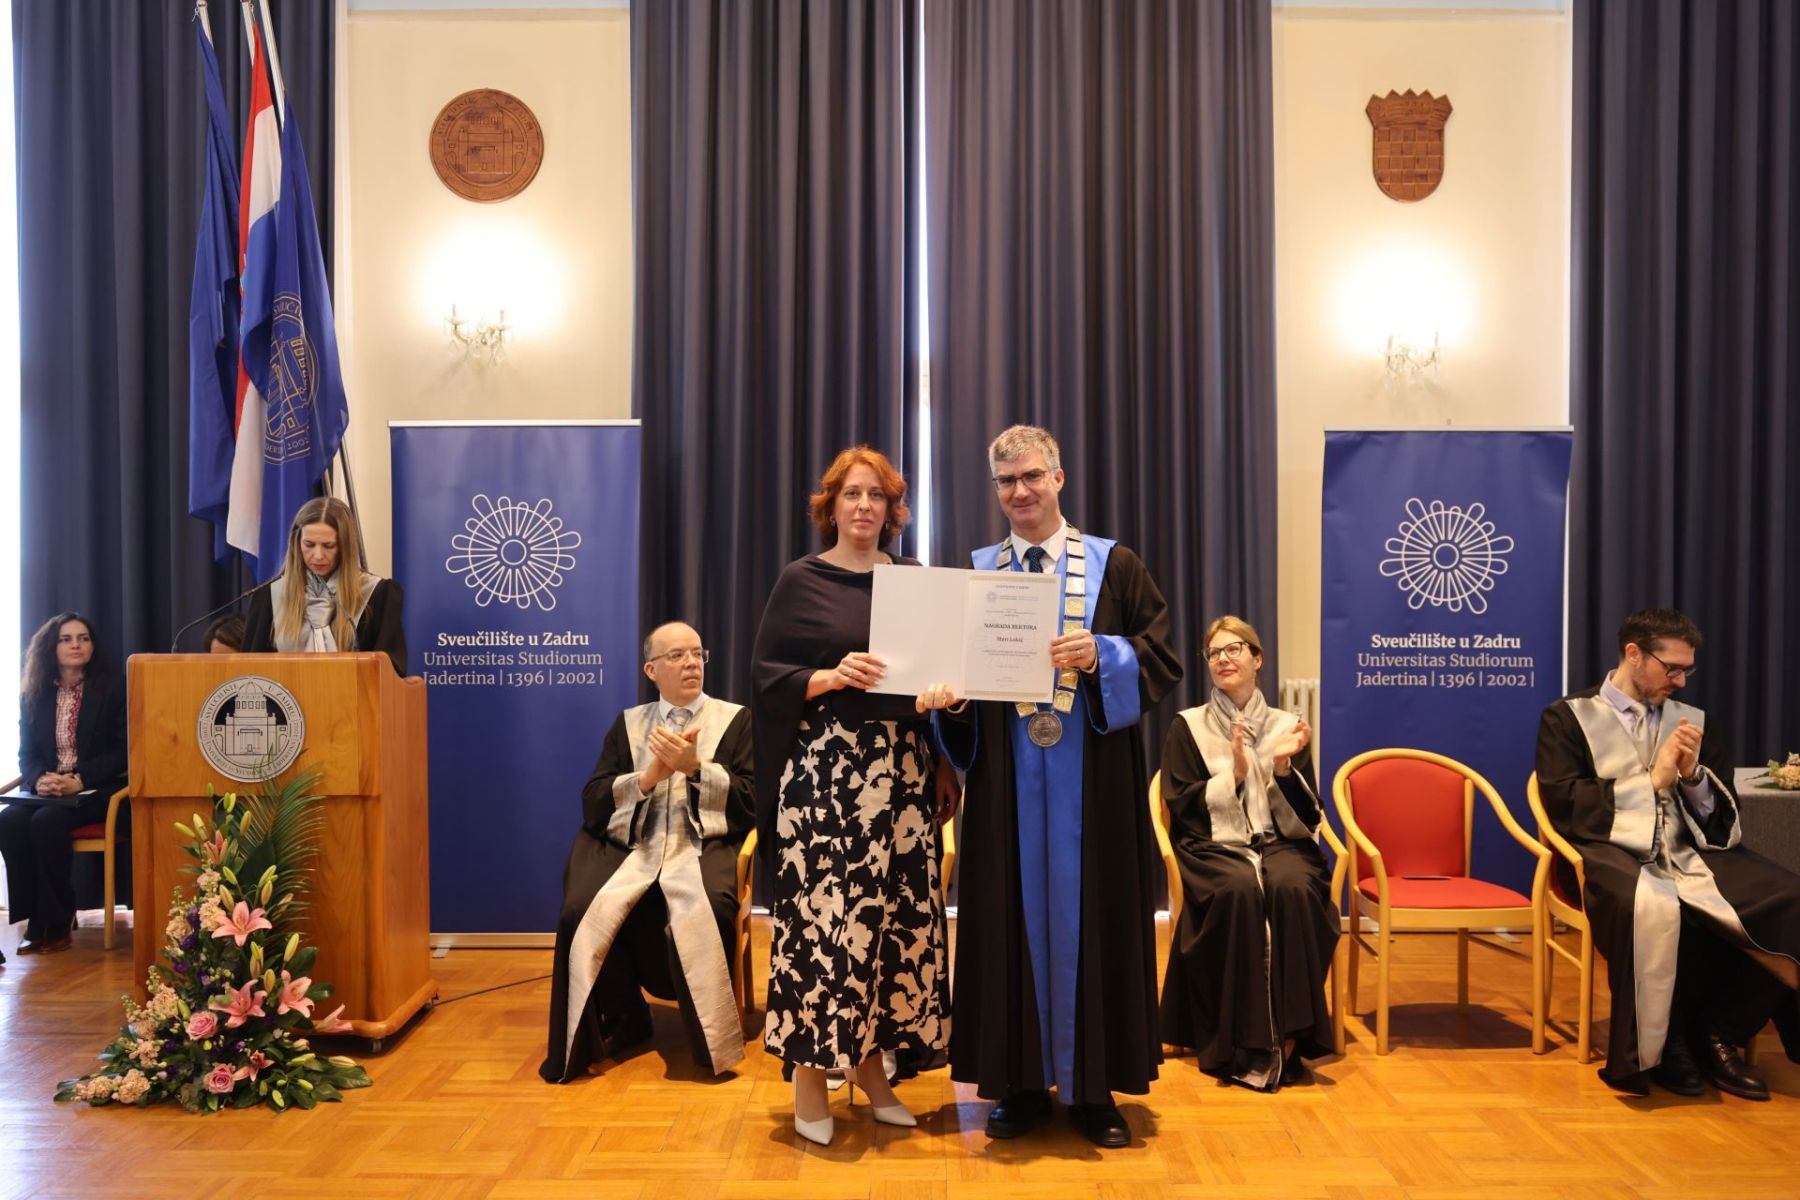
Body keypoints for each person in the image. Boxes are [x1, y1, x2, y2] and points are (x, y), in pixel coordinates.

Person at [937, 424, 1182, 1148]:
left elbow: (1161, 657)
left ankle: (1094, 1089)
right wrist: (952, 702)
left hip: (1094, 788)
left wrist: (1103, 653)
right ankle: (1018, 1084)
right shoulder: (977, 577)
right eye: (1007, 481)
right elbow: (957, 680)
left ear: (1058, 478)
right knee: (1005, 918)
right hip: (1007, 790)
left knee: (1097, 916)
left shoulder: (1115, 565)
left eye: (1032, 477)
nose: (1020, 492)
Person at [751, 446, 954, 1146]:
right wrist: (832, 676)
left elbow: (941, 671)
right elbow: (768, 677)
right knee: (825, 926)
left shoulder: (916, 581)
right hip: (827, 780)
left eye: (877, 496)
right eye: (852, 494)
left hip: (905, 776)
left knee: (893, 929)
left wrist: (943, 730)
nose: (864, 506)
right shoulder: (802, 580)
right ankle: (810, 1077)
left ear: (892, 510)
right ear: (831, 507)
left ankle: (870, 1069)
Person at [1536, 607, 1800, 1099]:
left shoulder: (1692, 721)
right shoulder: (1567, 718)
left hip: (1692, 850)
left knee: (1791, 901)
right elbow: (1564, 802)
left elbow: (1722, 815)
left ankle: (1721, 1031)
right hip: (1609, 851)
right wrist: (1652, 782)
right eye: (1671, 668)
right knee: (1655, 907)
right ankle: (1664, 1047)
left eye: (1686, 671)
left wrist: (1693, 777)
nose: (1679, 682)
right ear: (1634, 654)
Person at [540, 621, 756, 1083]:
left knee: (709, 903)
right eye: (677, 655)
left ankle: (709, 1039)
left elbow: (754, 800)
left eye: (697, 653)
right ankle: (625, 1016)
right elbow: (593, 798)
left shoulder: (736, 720)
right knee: (581, 907)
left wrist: (696, 769)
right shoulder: (630, 724)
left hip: (702, 843)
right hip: (634, 846)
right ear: (651, 670)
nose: (691, 663)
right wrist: (649, 777)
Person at [1158, 616, 1335, 1090]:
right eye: (1214, 653)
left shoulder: (1286, 727)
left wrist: (1283, 767)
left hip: (1279, 841)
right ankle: (1237, 1039)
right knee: (1238, 890)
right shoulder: (1187, 727)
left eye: (1233, 649)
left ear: (1258, 659)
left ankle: (1293, 1033)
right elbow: (1180, 803)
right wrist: (1232, 777)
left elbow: (1309, 815)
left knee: (1293, 887)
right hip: (1212, 846)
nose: (1222, 659)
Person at [0, 613, 128, 957]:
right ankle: (34, 919)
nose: (76, 645)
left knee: (46, 822)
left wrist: (78, 779)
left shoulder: (113, 689)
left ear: (92, 646)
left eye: (83, 638)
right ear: (51, 647)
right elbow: (27, 754)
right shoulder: (34, 693)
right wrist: (40, 779)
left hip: (100, 790)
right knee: (8, 821)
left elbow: (124, 752)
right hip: (51, 790)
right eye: (66, 639)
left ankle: (58, 919)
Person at [241, 496, 407, 676]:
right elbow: (251, 672)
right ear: (297, 543)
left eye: (328, 546)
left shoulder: (376, 594)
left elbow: (390, 672)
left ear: (345, 547)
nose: (318, 555)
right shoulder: (269, 597)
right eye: (309, 544)